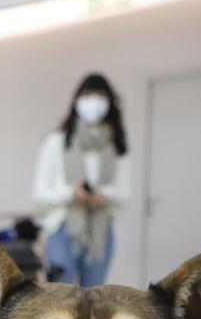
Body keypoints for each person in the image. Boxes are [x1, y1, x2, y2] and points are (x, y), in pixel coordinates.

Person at [32, 72, 130, 287]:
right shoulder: (56, 142)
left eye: (100, 96)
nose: (93, 103)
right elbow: (39, 193)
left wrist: (104, 197)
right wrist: (70, 194)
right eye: (87, 95)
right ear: (76, 99)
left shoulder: (116, 146)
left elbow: (124, 193)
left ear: (110, 102)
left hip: (100, 230)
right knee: (60, 296)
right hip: (62, 226)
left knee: (95, 297)